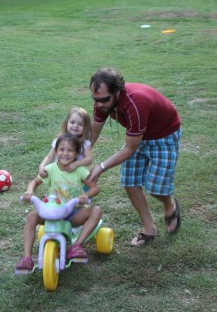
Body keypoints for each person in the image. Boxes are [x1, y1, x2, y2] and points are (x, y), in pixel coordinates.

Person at [87, 67, 181, 247]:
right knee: (130, 182)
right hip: (139, 135)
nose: (99, 105)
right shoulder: (102, 102)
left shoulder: (136, 103)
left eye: (104, 100)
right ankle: (149, 229)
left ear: (117, 91)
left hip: (164, 135)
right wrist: (80, 159)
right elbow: (92, 135)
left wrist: (101, 166)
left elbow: (129, 149)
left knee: (157, 188)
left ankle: (170, 206)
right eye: (95, 99)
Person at [16, 133, 102, 273]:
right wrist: (29, 191)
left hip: (74, 212)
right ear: (55, 152)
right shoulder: (50, 169)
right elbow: (34, 182)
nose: (65, 153)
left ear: (76, 154)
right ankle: (27, 258)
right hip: (52, 212)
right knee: (32, 216)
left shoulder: (79, 170)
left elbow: (95, 188)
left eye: (70, 150)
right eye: (61, 149)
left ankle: (76, 246)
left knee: (96, 210)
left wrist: (85, 196)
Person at [38, 107, 93, 178]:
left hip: (78, 176)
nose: (75, 126)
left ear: (85, 127)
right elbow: (49, 157)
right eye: (72, 122)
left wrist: (75, 164)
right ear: (67, 123)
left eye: (80, 124)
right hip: (60, 175)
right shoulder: (59, 140)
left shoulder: (85, 143)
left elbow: (89, 160)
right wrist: (42, 165)